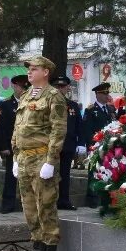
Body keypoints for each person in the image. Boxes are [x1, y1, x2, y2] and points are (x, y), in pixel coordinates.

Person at [11, 56, 67, 251]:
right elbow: (18, 128)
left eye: (34, 69)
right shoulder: (25, 95)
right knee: (30, 208)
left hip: (42, 158)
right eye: (29, 69)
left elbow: (58, 130)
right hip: (24, 159)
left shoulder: (54, 96)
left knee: (45, 206)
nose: (30, 72)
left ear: (46, 72)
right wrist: (16, 157)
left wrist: (51, 161)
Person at [0, 73, 29, 213]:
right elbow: (2, 128)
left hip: (29, 147)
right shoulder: (6, 104)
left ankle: (27, 205)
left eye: (25, 87)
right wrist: (3, 147)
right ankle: (7, 204)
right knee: (11, 176)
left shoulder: (32, 103)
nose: (23, 90)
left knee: (28, 178)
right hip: (12, 148)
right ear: (14, 86)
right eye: (21, 87)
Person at [81, 82, 115, 209]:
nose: (107, 96)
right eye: (104, 93)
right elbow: (87, 130)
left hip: (109, 147)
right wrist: (91, 146)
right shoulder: (90, 110)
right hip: (96, 147)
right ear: (97, 94)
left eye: (108, 93)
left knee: (108, 171)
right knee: (94, 172)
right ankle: (92, 198)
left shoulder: (111, 110)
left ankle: (106, 197)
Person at [52, 75, 84, 210]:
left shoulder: (73, 105)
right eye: (58, 87)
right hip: (52, 146)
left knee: (65, 174)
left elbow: (79, 126)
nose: (60, 89)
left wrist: (81, 143)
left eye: (63, 87)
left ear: (67, 88)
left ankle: (64, 200)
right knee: (50, 174)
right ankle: (50, 201)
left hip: (68, 145)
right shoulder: (48, 104)